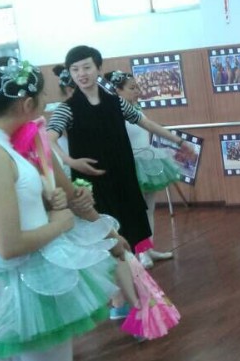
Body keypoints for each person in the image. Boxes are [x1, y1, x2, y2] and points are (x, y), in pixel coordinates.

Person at [0, 54, 120, 361]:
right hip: (27, 281)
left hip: (20, 279)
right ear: (27, 104)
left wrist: (45, 202)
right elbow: (9, 244)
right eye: (43, 97)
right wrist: (60, 222)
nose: (46, 103)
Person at [46, 46, 192, 256]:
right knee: (103, 239)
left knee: (131, 232)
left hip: (123, 176)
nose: (81, 74)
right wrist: (69, 161)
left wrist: (179, 141)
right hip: (91, 183)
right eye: (75, 69)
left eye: (86, 67)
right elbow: (49, 138)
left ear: (98, 69)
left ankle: (136, 270)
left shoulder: (116, 102)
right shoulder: (67, 108)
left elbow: (146, 123)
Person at [107, 70, 180, 268]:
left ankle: (149, 248)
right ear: (117, 90)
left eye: (137, 87)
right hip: (130, 165)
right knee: (136, 211)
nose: (137, 91)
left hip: (147, 162)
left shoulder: (136, 109)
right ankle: (139, 252)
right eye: (132, 88)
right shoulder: (114, 112)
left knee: (150, 208)